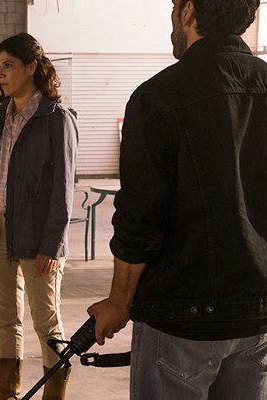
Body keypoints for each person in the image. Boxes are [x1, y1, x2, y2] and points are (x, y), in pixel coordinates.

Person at [87, 0, 267, 399]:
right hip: (257, 318)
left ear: (188, 11)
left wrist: (119, 302)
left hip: (180, 319)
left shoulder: (158, 96)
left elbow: (139, 219)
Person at [0, 33, 78, 400]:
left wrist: (52, 245)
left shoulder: (56, 119)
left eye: (8, 65)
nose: (1, 73)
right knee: (5, 320)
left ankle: (54, 395)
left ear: (31, 67)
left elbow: (63, 189)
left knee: (46, 322)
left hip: (37, 234)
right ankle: (7, 394)